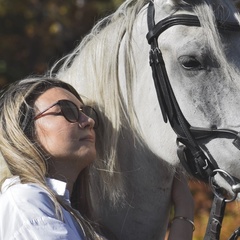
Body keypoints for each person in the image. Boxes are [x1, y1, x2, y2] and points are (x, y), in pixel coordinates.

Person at [0, 77, 194, 240]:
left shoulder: (68, 213)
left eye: (86, 113)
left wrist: (185, 211)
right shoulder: (26, 199)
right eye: (68, 111)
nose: (89, 121)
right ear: (26, 131)